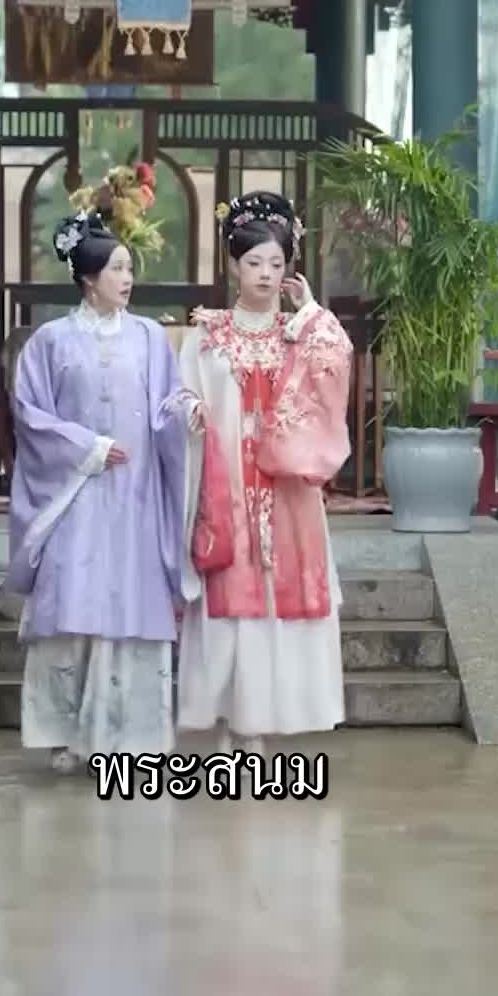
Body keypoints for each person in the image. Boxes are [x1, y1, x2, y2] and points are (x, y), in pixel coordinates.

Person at [4, 210, 188, 773]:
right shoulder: (50, 342)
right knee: (72, 601)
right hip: (76, 495)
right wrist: (87, 447)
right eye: (117, 269)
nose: (127, 279)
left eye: (130, 268)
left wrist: (187, 413)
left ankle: (131, 739)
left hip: (136, 494)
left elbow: (168, 403)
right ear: (88, 278)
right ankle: (67, 734)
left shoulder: (150, 337)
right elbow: (29, 415)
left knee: (130, 603)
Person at [177, 191, 353, 752]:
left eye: (276, 263)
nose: (265, 274)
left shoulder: (301, 330)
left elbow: (335, 365)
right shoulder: (209, 334)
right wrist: (190, 410)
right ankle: (229, 717)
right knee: (232, 595)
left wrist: (311, 311)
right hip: (226, 481)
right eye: (254, 262)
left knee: (280, 594)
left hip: (286, 489)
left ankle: (265, 716)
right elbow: (180, 393)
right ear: (234, 265)